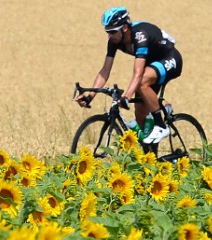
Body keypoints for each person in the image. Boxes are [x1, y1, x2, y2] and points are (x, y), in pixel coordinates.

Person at [75, 7, 183, 145]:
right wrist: (90, 96)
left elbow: (138, 73)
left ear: (125, 27)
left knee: (142, 81)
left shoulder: (140, 36)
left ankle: (160, 125)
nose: (109, 36)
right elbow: (105, 71)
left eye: (113, 31)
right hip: (152, 65)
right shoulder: (114, 41)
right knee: (139, 112)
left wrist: (127, 96)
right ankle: (151, 153)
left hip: (170, 58)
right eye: (107, 31)